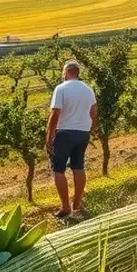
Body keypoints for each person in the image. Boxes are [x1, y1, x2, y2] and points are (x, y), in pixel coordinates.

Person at [47, 60, 97, 219]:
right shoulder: (88, 90)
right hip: (83, 133)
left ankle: (65, 207)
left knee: (58, 169)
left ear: (66, 72)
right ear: (78, 73)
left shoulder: (61, 89)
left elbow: (55, 114)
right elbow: (94, 112)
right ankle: (76, 203)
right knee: (78, 165)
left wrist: (49, 136)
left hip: (64, 133)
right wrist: (92, 128)